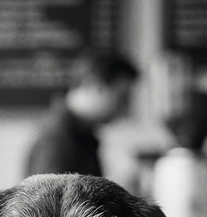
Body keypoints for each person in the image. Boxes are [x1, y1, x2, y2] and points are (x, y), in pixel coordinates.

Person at [24, 50, 139, 178]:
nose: (125, 107)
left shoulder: (80, 134)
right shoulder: (58, 139)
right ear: (95, 85)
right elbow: (52, 198)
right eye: (122, 97)